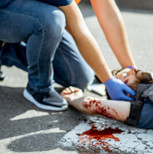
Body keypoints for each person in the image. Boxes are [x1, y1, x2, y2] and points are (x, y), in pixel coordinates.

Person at [0, 0, 135, 111]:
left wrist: (130, 68)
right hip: (8, 11)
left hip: (33, 12)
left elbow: (109, 16)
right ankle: (39, 88)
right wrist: (108, 80)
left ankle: (5, 51)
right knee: (52, 19)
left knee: (80, 77)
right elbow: (79, 30)